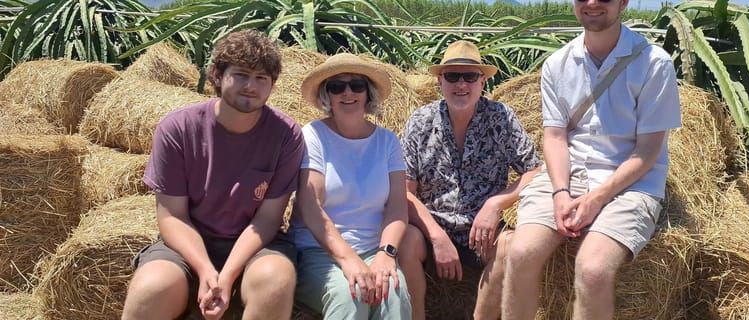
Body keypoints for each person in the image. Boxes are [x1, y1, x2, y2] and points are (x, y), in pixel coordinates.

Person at [501, 0, 682, 319]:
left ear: (624, 2)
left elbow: (648, 151)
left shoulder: (654, 63)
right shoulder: (557, 64)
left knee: (593, 269)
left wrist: (597, 198)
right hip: (568, 174)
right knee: (520, 253)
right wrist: (560, 193)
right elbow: (555, 138)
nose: (593, 3)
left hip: (631, 182)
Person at [122, 29, 304, 320]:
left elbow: (268, 219)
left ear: (272, 85)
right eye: (241, 74)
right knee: (151, 287)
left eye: (261, 79)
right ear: (217, 75)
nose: (251, 86)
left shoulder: (286, 135)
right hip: (188, 243)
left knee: (276, 279)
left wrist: (227, 275)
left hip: (255, 245)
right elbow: (172, 216)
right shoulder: (177, 129)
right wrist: (205, 269)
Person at [398, 40, 543, 320]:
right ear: (440, 81)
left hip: (482, 233)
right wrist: (436, 236)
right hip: (431, 230)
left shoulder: (500, 117)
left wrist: (496, 205)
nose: (461, 84)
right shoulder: (420, 121)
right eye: (452, 76)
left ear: (483, 81)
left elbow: (534, 170)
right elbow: (404, 192)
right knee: (404, 241)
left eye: (470, 76)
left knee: (514, 247)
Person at [288, 53, 411, 319]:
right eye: (337, 86)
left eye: (357, 86)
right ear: (326, 95)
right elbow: (311, 207)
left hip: (373, 249)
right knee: (350, 297)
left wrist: (386, 254)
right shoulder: (314, 136)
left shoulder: (388, 142)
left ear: (368, 94)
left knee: (395, 294)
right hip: (319, 252)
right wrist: (348, 260)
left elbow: (398, 208)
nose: (348, 93)